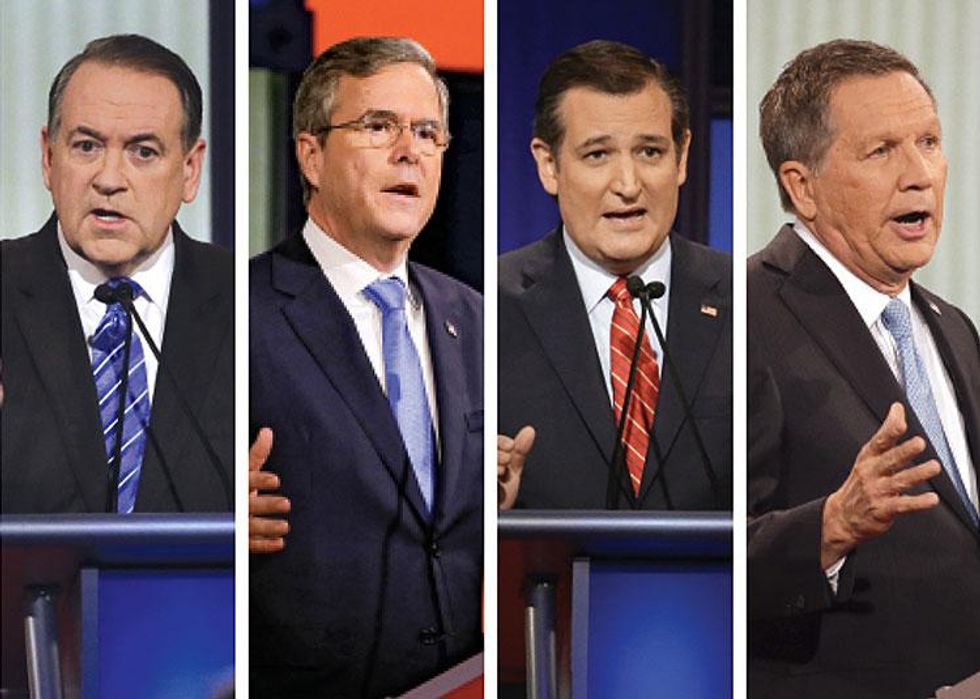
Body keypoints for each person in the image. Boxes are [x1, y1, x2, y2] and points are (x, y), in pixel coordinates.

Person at [248, 37, 483, 697]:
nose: (409, 150)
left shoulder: (476, 319)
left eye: (428, 132)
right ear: (311, 154)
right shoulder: (243, 313)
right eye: (379, 126)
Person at [748, 39, 980, 697]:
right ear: (802, 185)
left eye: (929, 143)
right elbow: (706, 554)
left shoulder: (952, 326)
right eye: (882, 151)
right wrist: (832, 523)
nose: (920, 174)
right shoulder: (744, 317)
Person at [1, 34, 233, 513]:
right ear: (49, 157)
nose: (109, 178)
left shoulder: (245, 302)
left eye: (142, 152)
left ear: (190, 170)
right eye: (86, 146)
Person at [497, 40, 732, 510]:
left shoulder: (746, 303)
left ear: (682, 158)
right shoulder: (489, 311)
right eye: (598, 155)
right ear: (549, 165)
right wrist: (488, 510)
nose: (627, 185)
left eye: (649, 152)